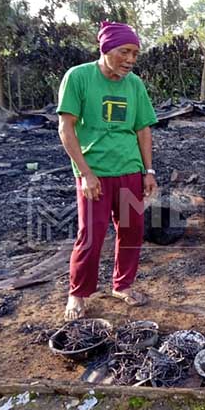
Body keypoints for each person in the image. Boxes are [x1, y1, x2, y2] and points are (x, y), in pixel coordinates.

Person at [57, 21, 158, 321]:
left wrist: (148, 170)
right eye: (124, 51)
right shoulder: (79, 77)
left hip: (129, 170)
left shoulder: (134, 84)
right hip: (95, 174)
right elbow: (66, 128)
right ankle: (78, 293)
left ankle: (122, 285)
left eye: (135, 54)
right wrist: (85, 173)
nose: (130, 59)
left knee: (131, 231)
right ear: (105, 49)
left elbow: (143, 129)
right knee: (91, 234)